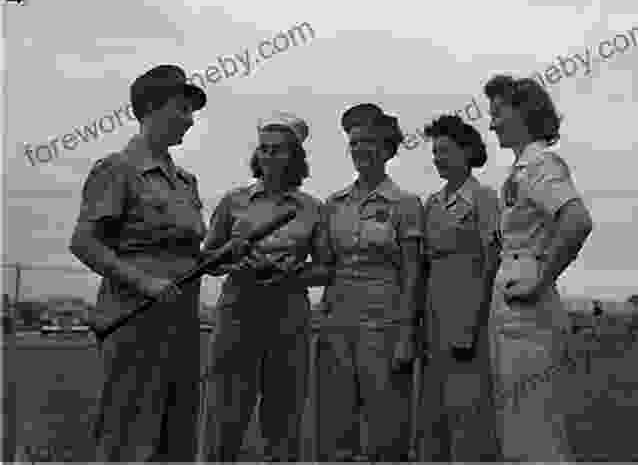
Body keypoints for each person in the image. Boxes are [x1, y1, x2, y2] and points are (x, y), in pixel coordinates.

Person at [69, 64, 208, 462]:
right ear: (152, 108)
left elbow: (186, 252)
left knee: (176, 426)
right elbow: (83, 242)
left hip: (181, 319)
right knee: (125, 426)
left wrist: (223, 255)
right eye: (182, 109)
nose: (190, 119)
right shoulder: (117, 169)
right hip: (134, 317)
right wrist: (142, 282)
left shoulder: (186, 181)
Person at [197, 112, 329, 463]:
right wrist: (233, 259)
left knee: (284, 410)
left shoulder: (313, 208)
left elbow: (327, 267)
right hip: (238, 306)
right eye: (265, 149)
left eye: (280, 150)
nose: (270, 156)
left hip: (289, 311)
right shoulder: (233, 202)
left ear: (295, 157)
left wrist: (295, 275)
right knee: (225, 407)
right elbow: (205, 261)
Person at [483, 74, 593, 462]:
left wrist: (542, 278)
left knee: (536, 424)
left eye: (498, 113)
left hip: (526, 302)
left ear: (523, 112)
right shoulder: (520, 171)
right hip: (512, 301)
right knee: (516, 421)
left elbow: (577, 220)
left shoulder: (540, 164)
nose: (491, 122)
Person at [316, 103, 423, 462]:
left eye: (369, 142)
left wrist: (407, 334)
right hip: (336, 324)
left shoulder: (405, 204)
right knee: (334, 425)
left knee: (387, 428)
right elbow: (324, 267)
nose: (360, 149)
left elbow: (413, 273)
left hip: (385, 326)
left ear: (389, 149)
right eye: (354, 142)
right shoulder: (333, 204)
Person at [416, 114, 501, 462]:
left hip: (470, 316)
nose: (438, 158)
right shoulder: (431, 204)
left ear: (468, 152)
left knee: (469, 409)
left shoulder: (483, 198)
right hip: (433, 316)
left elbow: (492, 262)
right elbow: (423, 267)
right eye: (434, 152)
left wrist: (473, 323)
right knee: (432, 412)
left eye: (445, 150)